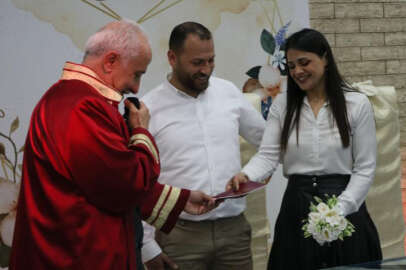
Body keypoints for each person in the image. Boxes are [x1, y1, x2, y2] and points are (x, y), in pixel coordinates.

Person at [9, 19, 216, 270]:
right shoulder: (82, 108)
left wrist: (181, 200)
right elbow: (127, 184)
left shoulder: (71, 98)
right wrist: (141, 131)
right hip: (78, 256)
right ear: (110, 62)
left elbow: (104, 180)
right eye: (137, 74)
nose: (136, 87)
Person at [228, 28, 383, 270]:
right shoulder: (283, 105)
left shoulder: (356, 103)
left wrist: (337, 211)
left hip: (345, 204)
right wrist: (245, 175)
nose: (298, 71)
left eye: (304, 62)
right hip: (297, 207)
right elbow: (268, 155)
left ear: (325, 59)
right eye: (291, 66)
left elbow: (365, 168)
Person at [141, 22, 265, 270]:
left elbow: (269, 142)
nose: (206, 70)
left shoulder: (228, 92)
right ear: (172, 58)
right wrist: (147, 247)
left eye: (211, 60)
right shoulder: (149, 108)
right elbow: (141, 181)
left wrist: (255, 173)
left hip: (234, 233)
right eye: (197, 63)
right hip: (178, 236)